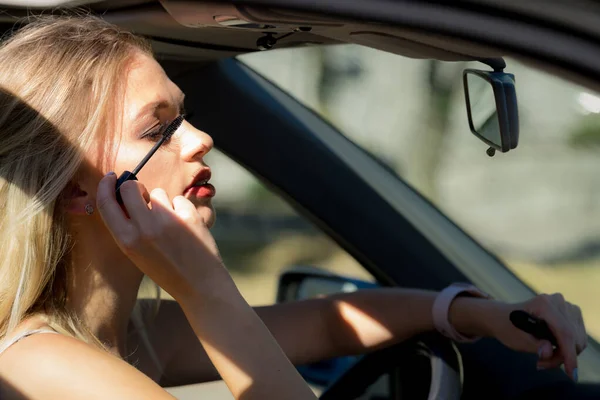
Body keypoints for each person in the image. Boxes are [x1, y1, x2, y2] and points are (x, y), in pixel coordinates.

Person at [0, 14, 587, 400]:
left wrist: (473, 313)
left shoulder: (129, 333)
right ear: (78, 190)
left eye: (185, 114)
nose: (199, 138)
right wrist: (204, 287)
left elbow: (324, 323)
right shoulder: (47, 368)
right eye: (158, 127)